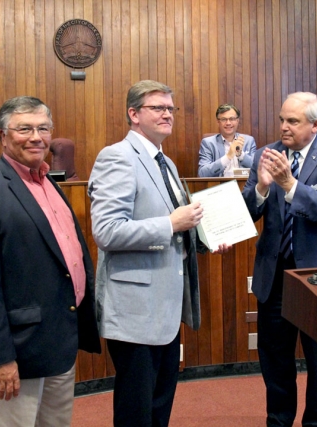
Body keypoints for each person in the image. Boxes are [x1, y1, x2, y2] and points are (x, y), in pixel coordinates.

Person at [88, 80, 230, 426]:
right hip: (135, 310)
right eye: (158, 108)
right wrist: (170, 223)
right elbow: (107, 231)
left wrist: (206, 237)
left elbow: (179, 227)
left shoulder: (163, 161)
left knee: (158, 406)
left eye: (170, 108)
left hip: (164, 308)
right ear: (133, 114)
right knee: (136, 412)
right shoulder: (117, 157)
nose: (167, 114)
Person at [0, 96, 101, 427]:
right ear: (3, 135)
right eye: (24, 128)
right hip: (17, 355)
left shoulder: (49, 183)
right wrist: (0, 358)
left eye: (43, 128)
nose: (36, 136)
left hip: (59, 344)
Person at [242, 92, 317, 426]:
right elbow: (247, 212)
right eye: (282, 119)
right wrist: (262, 188)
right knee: (275, 362)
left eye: (292, 121)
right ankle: (278, 422)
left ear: (315, 124)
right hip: (275, 276)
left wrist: (291, 185)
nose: (284, 127)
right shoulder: (266, 154)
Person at [198, 103, 257, 177]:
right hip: (220, 186)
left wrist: (240, 154)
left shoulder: (249, 141)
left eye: (232, 119)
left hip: (244, 186)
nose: (228, 123)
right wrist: (228, 156)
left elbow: (257, 168)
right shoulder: (208, 143)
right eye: (223, 119)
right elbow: (202, 174)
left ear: (237, 121)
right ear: (218, 122)